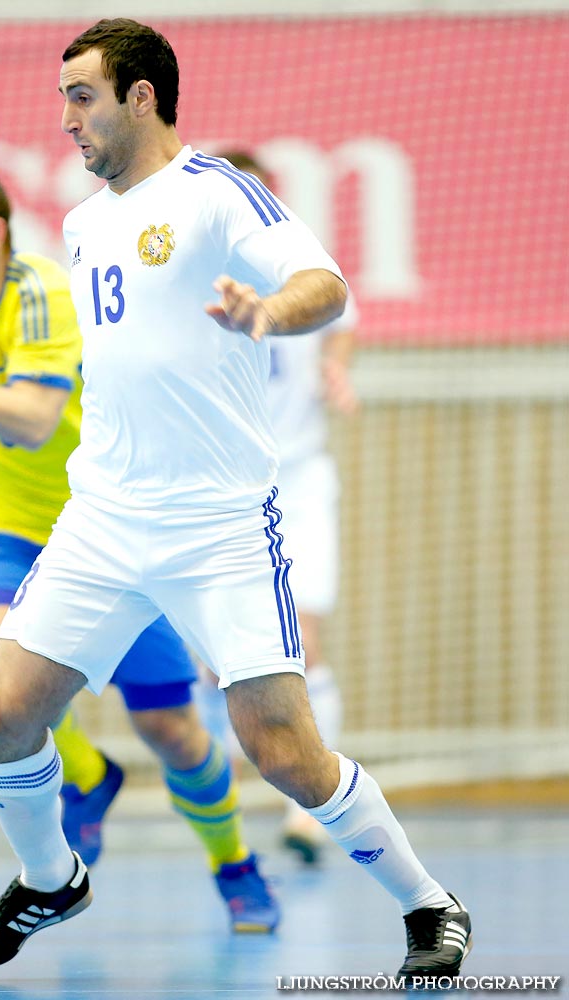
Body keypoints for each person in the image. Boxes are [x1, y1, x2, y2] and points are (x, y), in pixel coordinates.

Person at [0, 19, 471, 987]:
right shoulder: (84, 220)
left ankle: (428, 901)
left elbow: (327, 284)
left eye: (82, 96)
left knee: (282, 750)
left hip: (219, 524)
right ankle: (50, 877)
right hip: (103, 517)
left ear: (140, 96)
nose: (65, 117)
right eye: (63, 95)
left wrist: (267, 312)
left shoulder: (219, 195)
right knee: (5, 715)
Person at [0, 164, 279, 933]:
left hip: (113, 529)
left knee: (174, 734)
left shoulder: (43, 291)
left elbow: (28, 418)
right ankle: (85, 778)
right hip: (9, 530)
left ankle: (235, 864)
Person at [192, 149, 360, 865]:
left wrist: (335, 366)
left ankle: (312, 818)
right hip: (217, 488)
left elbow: (344, 309)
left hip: (295, 479)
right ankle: (223, 786)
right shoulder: (188, 276)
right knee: (212, 661)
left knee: (304, 644)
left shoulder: (299, 262)